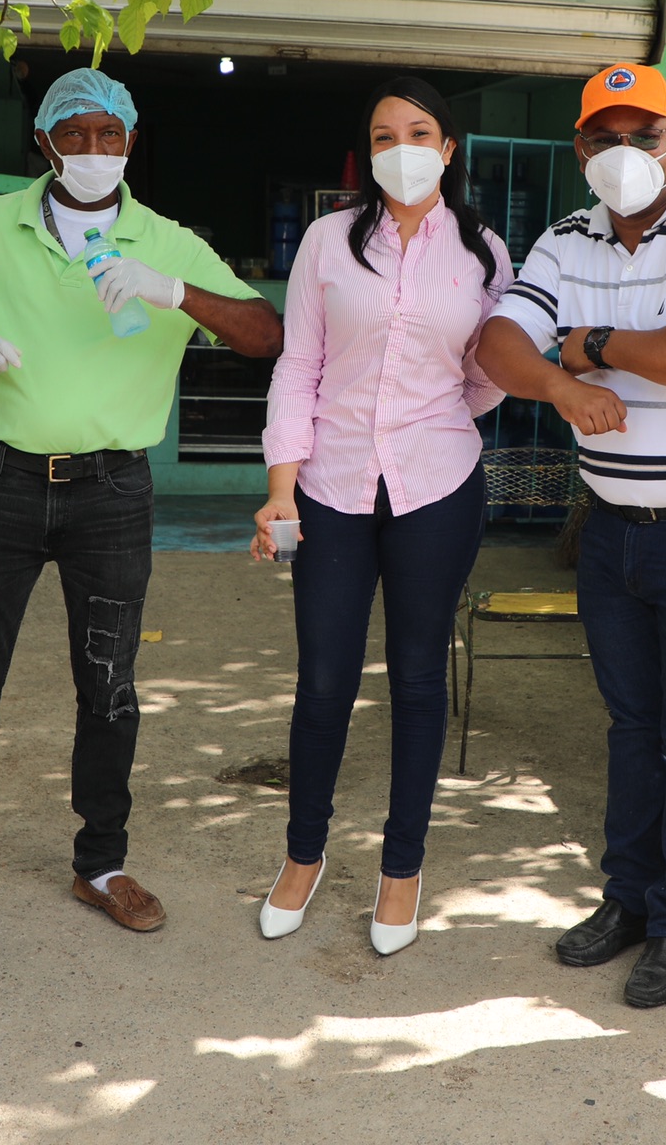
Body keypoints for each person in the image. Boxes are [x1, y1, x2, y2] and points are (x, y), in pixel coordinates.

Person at [0, 68, 283, 951]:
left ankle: (101, 863)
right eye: (75, 133)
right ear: (44, 144)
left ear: (132, 142)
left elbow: (264, 335)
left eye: (111, 134)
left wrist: (173, 290)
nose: (95, 149)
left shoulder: (166, 242)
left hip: (112, 491)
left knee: (109, 684)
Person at [476, 62, 666, 1010]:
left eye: (643, 134)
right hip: (612, 530)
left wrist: (595, 345)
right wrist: (561, 386)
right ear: (579, 151)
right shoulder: (565, 239)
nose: (624, 152)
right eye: (603, 138)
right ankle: (628, 900)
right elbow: (498, 343)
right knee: (633, 729)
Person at [248, 77, 508, 956]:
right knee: (323, 680)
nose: (402, 148)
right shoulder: (329, 241)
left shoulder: (483, 251)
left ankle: (403, 869)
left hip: (437, 485)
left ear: (448, 149)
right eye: (384, 135)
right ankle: (303, 856)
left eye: (419, 132)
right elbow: (298, 365)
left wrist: (434, 423)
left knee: (419, 679)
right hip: (330, 486)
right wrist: (281, 487)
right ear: (368, 153)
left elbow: (490, 371)